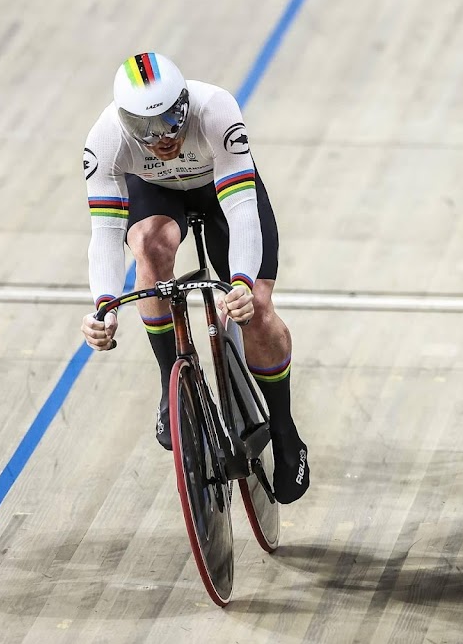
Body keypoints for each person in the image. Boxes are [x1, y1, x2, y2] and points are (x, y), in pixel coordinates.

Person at [79, 52, 309, 504]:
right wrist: (103, 305)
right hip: (159, 194)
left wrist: (241, 282)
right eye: (145, 127)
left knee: (257, 311)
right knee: (148, 245)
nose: (161, 137)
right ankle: (172, 382)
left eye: (170, 120)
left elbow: (242, 209)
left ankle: (284, 429)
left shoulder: (216, 109)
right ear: (126, 123)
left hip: (222, 188)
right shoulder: (105, 140)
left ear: (186, 103)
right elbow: (106, 233)